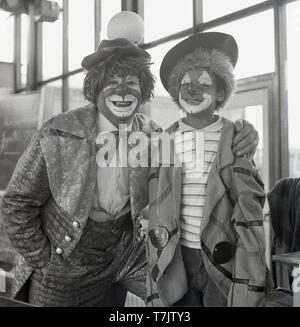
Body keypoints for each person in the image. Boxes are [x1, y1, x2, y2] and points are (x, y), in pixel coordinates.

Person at [1, 30, 259, 306]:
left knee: (176, 298)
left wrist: (243, 134)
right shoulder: (58, 133)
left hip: (126, 252)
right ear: (96, 88)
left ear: (144, 89)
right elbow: (17, 203)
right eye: (112, 82)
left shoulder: (154, 136)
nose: (122, 90)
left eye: (131, 82)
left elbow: (194, 142)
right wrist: (44, 258)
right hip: (65, 259)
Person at [146, 32, 271, 307]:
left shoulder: (234, 137)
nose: (192, 90)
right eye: (185, 83)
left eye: (203, 83)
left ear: (221, 92)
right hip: (178, 257)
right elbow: (156, 201)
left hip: (223, 257)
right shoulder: (165, 140)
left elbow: (248, 203)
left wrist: (251, 260)